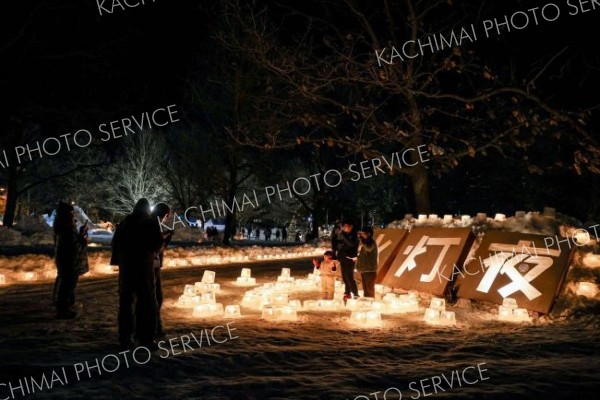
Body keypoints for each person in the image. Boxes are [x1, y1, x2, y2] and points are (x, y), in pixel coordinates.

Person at [111, 198, 162, 350]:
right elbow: (157, 245)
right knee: (147, 302)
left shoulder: (124, 223)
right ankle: (146, 338)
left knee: (126, 303)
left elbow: (115, 244)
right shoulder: (150, 223)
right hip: (143, 267)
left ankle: (125, 338)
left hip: (127, 268)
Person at [53, 202, 89, 319]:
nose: (73, 215)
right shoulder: (66, 227)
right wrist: (83, 240)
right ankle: (63, 310)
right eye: (71, 212)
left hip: (66, 260)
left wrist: (80, 234)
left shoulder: (63, 225)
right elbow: (73, 246)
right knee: (67, 286)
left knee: (67, 285)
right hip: (70, 261)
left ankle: (64, 307)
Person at [151, 203, 173, 338]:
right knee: (155, 297)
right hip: (151, 266)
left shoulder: (150, 223)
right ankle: (154, 328)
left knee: (153, 297)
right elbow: (156, 246)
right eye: (167, 216)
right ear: (165, 214)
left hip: (151, 265)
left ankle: (154, 327)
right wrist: (166, 238)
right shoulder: (153, 224)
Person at [335, 220, 359, 300]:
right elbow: (339, 245)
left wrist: (343, 236)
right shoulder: (344, 235)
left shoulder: (354, 235)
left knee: (349, 277)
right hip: (342, 258)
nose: (344, 228)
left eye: (346, 226)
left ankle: (355, 294)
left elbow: (351, 244)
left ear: (351, 226)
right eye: (343, 226)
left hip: (349, 258)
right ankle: (347, 293)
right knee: (345, 277)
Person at [356, 226, 378, 298]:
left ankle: (370, 302)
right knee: (365, 289)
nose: (361, 235)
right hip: (364, 269)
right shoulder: (366, 242)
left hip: (370, 270)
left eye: (363, 234)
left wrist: (362, 240)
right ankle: (367, 303)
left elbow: (368, 248)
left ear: (368, 234)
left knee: (369, 289)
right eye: (361, 234)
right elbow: (364, 255)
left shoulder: (371, 242)